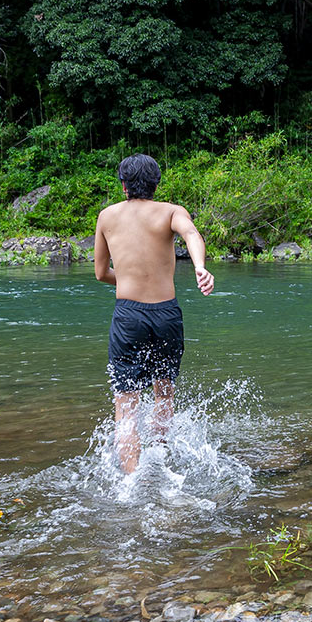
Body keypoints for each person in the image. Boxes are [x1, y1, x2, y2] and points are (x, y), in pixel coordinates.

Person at [94, 154, 214, 473]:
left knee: (126, 406)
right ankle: (159, 464)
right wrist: (200, 267)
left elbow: (101, 273)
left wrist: (132, 276)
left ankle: (132, 480)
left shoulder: (107, 216)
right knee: (164, 393)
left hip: (128, 316)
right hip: (166, 315)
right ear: (156, 184)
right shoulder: (171, 212)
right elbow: (191, 234)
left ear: (123, 186)